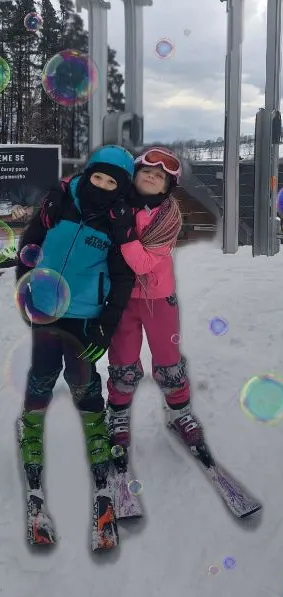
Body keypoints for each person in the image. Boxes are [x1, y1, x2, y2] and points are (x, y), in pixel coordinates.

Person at [15, 145, 136, 492]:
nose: (100, 184)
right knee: (42, 371)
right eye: (96, 175)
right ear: (87, 173)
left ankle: (96, 427)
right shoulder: (60, 203)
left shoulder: (118, 222)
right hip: (45, 307)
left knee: (83, 376)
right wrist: (25, 287)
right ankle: (32, 425)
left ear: (120, 188)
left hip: (86, 315)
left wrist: (107, 325)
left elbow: (123, 277)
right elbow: (30, 243)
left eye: (110, 182)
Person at [104, 147, 205, 470]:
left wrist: (122, 234)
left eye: (160, 175)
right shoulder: (115, 207)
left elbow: (145, 263)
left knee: (167, 358)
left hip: (159, 299)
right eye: (147, 170)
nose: (152, 176)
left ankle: (179, 412)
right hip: (121, 298)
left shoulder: (168, 218)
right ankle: (117, 416)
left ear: (167, 187)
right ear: (134, 175)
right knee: (122, 359)